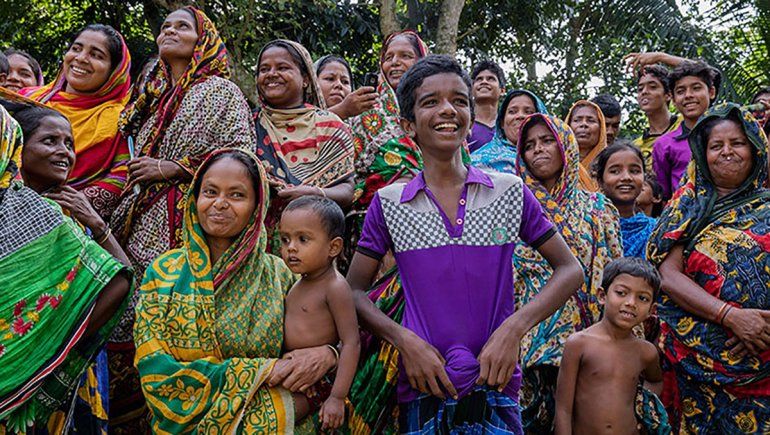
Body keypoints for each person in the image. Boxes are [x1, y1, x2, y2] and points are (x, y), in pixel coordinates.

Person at [347, 55, 584, 433]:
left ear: (472, 117)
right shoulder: (389, 202)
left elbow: (571, 269)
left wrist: (513, 330)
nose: (447, 110)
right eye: (430, 102)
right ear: (408, 125)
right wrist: (405, 342)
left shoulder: (509, 192)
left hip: (497, 382)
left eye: (459, 100)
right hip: (422, 382)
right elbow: (354, 291)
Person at [109, 7, 256, 432]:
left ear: (203, 39)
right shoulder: (148, 96)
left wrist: (173, 167)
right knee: (129, 309)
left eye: (183, 26)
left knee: (177, 319)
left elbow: (242, 155)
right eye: (165, 26)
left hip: (190, 219)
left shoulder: (221, 91)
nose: (170, 31)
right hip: (139, 214)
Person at [134, 149, 338, 433]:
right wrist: (265, 371)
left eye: (236, 195)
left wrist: (329, 353)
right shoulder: (163, 273)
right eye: (210, 192)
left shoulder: (281, 276)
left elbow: (312, 360)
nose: (220, 204)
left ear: (258, 206)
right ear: (195, 198)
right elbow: (154, 369)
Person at [0, 105, 131, 432]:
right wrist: (54, 345)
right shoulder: (44, 218)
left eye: (69, 144)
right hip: (30, 390)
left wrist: (55, 338)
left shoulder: (68, 218)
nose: (64, 152)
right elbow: (120, 280)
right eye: (49, 141)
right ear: (19, 148)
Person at [648, 103, 770, 432]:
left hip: (763, 367)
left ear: (756, 148)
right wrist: (731, 317)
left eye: (738, 143)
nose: (727, 152)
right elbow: (665, 275)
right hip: (695, 368)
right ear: (703, 152)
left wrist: (759, 328)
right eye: (716, 146)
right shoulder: (687, 204)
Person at [513, 113, 622, 433]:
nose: (538, 150)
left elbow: (616, 274)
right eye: (530, 145)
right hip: (528, 342)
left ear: (566, 147)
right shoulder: (513, 208)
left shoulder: (598, 207)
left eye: (547, 141)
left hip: (590, 340)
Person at [20, 24, 132, 220]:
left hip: (67, 222)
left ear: (114, 71)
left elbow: (122, 175)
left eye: (96, 55)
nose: (81, 58)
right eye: (76, 48)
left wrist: (64, 205)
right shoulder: (27, 99)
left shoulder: (121, 120)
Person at [254, 40, 355, 253]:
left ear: (306, 79)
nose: (271, 74)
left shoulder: (331, 126)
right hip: (255, 245)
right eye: (264, 69)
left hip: (313, 248)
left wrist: (314, 192)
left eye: (282, 68)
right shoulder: (247, 124)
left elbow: (347, 192)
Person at [554, 257, 668, 435]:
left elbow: (656, 381)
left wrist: (643, 409)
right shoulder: (579, 344)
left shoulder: (645, 352)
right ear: (602, 296)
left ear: (651, 311)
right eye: (621, 293)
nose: (631, 302)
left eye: (642, 298)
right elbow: (563, 408)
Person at [278, 196, 360, 430]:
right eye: (285, 239)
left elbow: (351, 342)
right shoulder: (297, 282)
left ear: (333, 247)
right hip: (296, 375)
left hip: (320, 382)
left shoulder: (334, 287)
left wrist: (336, 397)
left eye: (303, 239)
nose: (291, 248)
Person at [349, 30, 429, 209]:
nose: (395, 62)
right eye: (388, 57)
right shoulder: (364, 111)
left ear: (422, 62)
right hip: (371, 213)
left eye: (406, 56)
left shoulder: (438, 109)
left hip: (430, 213)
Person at [653, 60, 719, 201]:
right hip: (683, 218)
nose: (688, 95)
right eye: (681, 91)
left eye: (696, 88)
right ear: (674, 99)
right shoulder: (664, 144)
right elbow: (664, 195)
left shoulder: (729, 135)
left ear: (711, 92)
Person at [594, 140, 657, 259]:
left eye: (634, 171)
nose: (626, 177)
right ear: (600, 180)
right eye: (615, 171)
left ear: (644, 179)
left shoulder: (655, 230)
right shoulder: (589, 227)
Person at [471, 89, 549, 174]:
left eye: (528, 112)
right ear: (501, 124)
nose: (520, 116)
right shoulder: (477, 161)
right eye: (512, 112)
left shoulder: (555, 157)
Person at [631, 65, 681, 168]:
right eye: (640, 89)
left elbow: (705, 74)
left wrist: (661, 57)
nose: (644, 92)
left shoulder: (685, 124)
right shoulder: (635, 147)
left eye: (653, 87)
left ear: (668, 95)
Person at [315, 54, 377, 120]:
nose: (339, 85)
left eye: (345, 82)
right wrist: (343, 110)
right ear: (314, 82)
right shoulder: (303, 114)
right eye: (330, 79)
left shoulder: (360, 123)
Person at [566, 99, 606, 192]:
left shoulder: (608, 163)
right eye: (577, 120)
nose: (584, 124)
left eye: (591, 120)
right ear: (568, 126)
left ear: (601, 129)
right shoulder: (559, 164)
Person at [468, 59, 505, 152]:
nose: (484, 82)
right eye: (479, 79)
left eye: (490, 79)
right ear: (471, 90)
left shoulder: (509, 127)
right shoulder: (464, 125)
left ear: (502, 90)